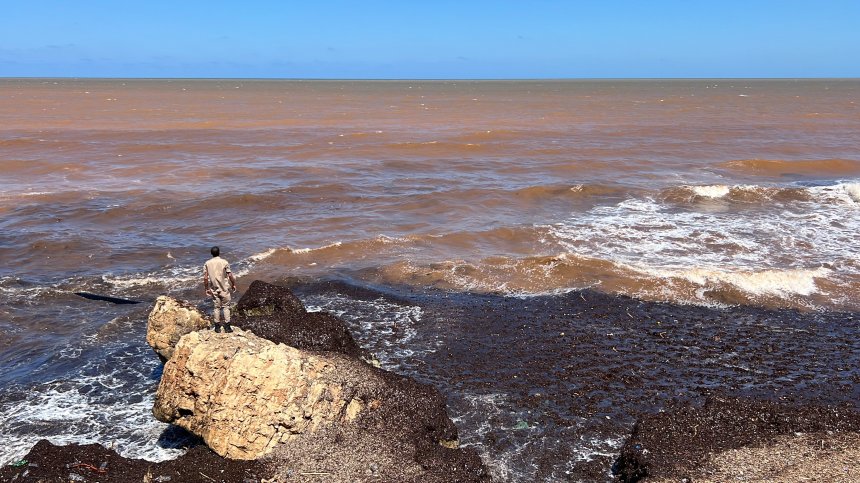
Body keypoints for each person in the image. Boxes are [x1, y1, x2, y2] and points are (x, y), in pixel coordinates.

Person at [203, 246, 237, 333]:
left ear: (211, 253)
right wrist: (233, 284)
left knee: (216, 308)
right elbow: (230, 275)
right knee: (226, 307)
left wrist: (206, 288)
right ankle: (227, 327)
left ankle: (217, 327)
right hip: (224, 288)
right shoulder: (224, 262)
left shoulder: (207, 263)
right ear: (219, 252)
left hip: (214, 289)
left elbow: (205, 278)